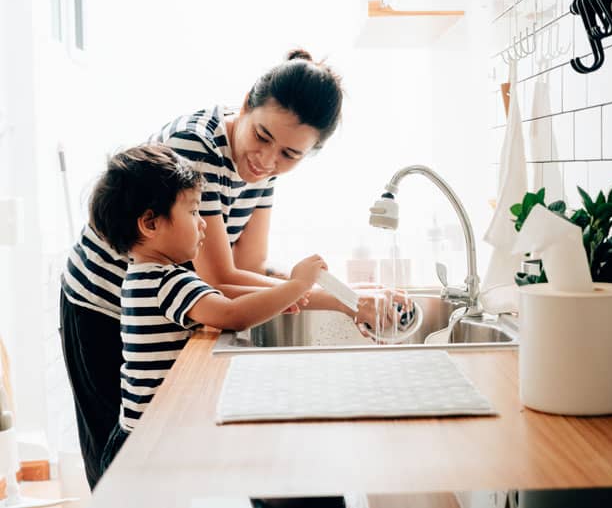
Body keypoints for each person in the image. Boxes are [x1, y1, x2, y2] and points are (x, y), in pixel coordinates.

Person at [60, 49, 396, 489]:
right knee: (117, 473)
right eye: (261, 136)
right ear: (245, 104)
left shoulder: (265, 169)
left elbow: (248, 266)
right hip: (103, 305)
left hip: (167, 307)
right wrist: (334, 300)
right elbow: (219, 281)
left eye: (290, 154)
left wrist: (337, 293)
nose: (267, 161)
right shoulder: (194, 147)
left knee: (148, 466)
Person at [89, 144, 326, 476]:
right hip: (151, 445)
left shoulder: (140, 276)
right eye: (193, 212)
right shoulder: (167, 281)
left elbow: (224, 309)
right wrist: (297, 285)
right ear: (150, 223)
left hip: (135, 435)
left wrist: (276, 301)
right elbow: (231, 313)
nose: (203, 225)